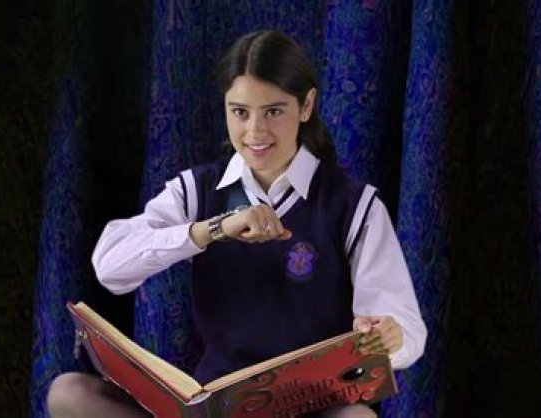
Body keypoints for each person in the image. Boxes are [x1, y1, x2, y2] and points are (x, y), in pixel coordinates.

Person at [46, 29, 427, 418]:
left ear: (306, 105)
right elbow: (109, 266)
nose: (255, 132)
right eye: (240, 112)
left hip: (309, 409)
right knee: (70, 393)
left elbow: (408, 331)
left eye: (273, 111)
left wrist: (389, 335)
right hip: (214, 408)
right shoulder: (197, 191)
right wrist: (213, 229)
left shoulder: (355, 206)